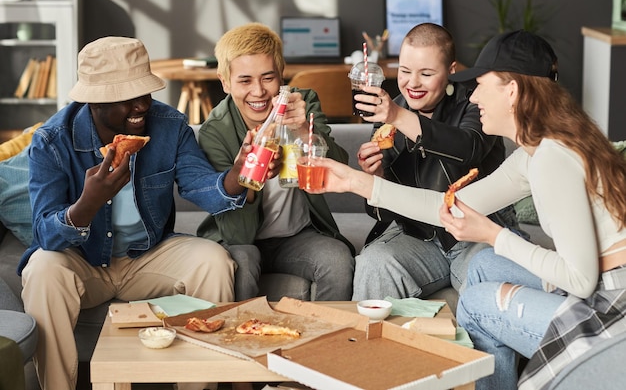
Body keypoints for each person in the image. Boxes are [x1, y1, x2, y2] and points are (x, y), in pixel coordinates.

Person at [304, 30, 626, 390]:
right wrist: (355, 182)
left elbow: (579, 280)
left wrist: (493, 234)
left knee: (475, 302)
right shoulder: (535, 153)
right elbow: (449, 206)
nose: (473, 96)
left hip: (613, 305)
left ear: (512, 91)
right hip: (602, 284)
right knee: (486, 265)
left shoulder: (553, 157)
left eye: (480, 84)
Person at [18, 36, 267, 390]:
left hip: (147, 255)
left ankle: (198, 385)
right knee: (41, 269)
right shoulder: (52, 141)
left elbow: (201, 188)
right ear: (95, 101)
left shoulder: (170, 125)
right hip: (81, 260)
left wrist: (238, 174)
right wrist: (89, 203)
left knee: (213, 259)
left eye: (145, 93)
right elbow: (46, 234)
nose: (142, 106)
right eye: (127, 98)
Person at [352, 22, 519, 301]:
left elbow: (468, 149)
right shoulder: (392, 111)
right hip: (419, 238)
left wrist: (397, 116)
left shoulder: (477, 102)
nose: (412, 83)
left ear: (451, 71)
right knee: (374, 262)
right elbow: (383, 211)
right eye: (405, 72)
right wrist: (377, 175)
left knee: (490, 278)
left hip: (478, 234)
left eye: (426, 73)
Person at [196, 23, 355, 302]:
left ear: (281, 75)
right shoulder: (215, 132)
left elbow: (341, 166)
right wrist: (249, 178)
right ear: (225, 82)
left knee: (337, 260)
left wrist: (303, 131)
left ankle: (324, 341)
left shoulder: (302, 103)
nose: (258, 92)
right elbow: (237, 234)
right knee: (241, 263)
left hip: (295, 237)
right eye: (244, 81)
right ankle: (244, 340)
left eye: (267, 78)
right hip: (241, 240)